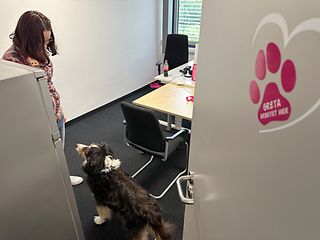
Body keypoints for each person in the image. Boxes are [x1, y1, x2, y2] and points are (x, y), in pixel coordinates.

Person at [2, 10, 83, 186]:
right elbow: (21, 101)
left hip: (54, 113)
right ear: (29, 38)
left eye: (47, 41)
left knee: (58, 153)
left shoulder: (39, 50)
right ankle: (51, 188)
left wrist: (58, 108)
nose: (45, 45)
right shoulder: (12, 60)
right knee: (44, 160)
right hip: (37, 120)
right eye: (42, 41)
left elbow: (48, 84)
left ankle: (61, 180)